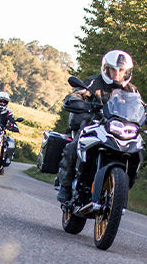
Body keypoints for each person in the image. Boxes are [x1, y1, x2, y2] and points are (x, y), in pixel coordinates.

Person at [56, 49, 138, 202]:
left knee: (138, 150)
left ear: (127, 72)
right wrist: (75, 98)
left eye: (121, 71)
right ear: (106, 69)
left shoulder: (131, 90)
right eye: (113, 70)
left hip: (118, 129)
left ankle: (120, 189)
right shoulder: (94, 82)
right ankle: (65, 186)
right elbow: (80, 92)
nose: (117, 74)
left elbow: (141, 105)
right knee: (73, 146)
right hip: (93, 124)